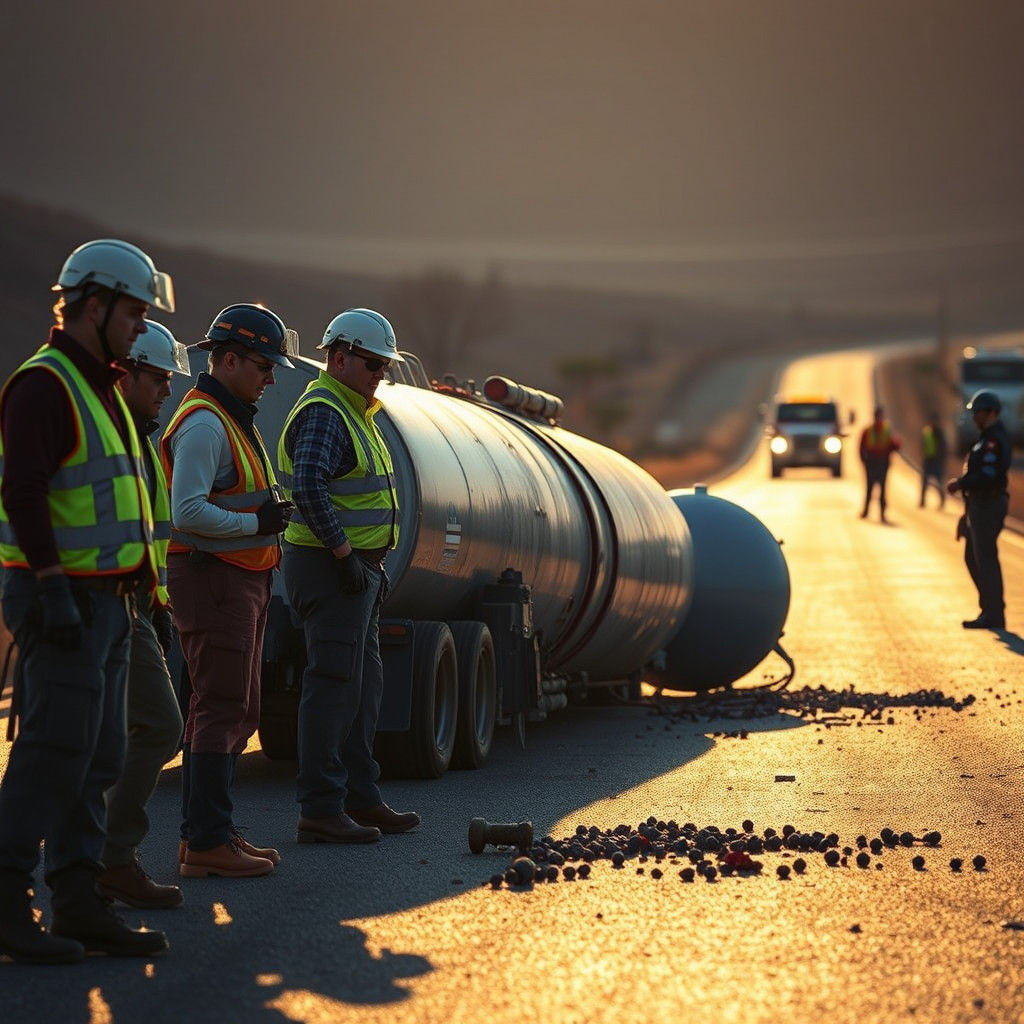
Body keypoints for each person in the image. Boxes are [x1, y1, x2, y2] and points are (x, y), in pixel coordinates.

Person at [0, 239, 172, 962]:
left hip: (110, 602)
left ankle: (77, 903)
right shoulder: (44, 385)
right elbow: (24, 492)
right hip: (61, 599)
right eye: (134, 313)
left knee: (99, 754)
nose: (141, 328)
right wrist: (50, 587)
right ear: (92, 306)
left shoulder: (101, 386)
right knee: (53, 750)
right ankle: (7, 903)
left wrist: (146, 595)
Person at [161, 304, 297, 878]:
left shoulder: (229, 417)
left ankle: (208, 834)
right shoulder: (205, 424)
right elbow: (187, 512)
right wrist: (256, 523)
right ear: (231, 360)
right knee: (220, 707)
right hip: (214, 578)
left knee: (233, 707)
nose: (271, 378)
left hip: (236, 577)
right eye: (264, 366)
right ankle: (207, 842)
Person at [278, 308, 419, 844]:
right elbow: (308, 486)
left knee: (363, 687)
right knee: (333, 686)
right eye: (372, 363)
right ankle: (321, 808)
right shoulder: (325, 411)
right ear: (338, 358)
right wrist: (342, 554)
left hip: (358, 572)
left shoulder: (357, 411)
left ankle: (361, 797)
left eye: (385, 365)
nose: (380, 373)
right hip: (332, 569)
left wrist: (365, 564)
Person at [95, 322, 191, 910]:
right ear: (125, 373)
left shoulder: (140, 441)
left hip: (134, 605)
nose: (167, 389)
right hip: (100, 602)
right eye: (158, 378)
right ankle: (104, 861)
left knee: (109, 737)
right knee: (144, 729)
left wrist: (156, 606)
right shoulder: (109, 434)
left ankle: (98, 863)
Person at [947, 390, 1011, 630]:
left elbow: (987, 475)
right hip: (978, 505)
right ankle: (989, 609)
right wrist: (966, 514)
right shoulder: (985, 439)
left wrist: (960, 483)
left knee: (985, 558)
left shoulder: (994, 441)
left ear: (992, 412)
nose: (975, 416)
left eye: (979, 412)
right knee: (973, 557)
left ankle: (994, 613)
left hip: (989, 504)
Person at [859, 405, 901, 522]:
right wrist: (864, 461)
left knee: (882, 490)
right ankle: (866, 511)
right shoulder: (868, 431)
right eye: (877, 416)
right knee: (870, 489)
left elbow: (894, 446)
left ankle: (882, 514)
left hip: (883, 463)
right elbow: (862, 447)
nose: (878, 418)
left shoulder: (886, 431)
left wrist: (896, 443)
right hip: (872, 463)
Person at [919, 411, 948, 509]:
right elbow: (922, 444)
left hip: (937, 460)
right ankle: (922, 501)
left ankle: (942, 500)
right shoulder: (926, 432)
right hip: (928, 459)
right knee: (924, 482)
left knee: (938, 482)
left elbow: (944, 448)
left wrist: (942, 460)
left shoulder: (940, 433)